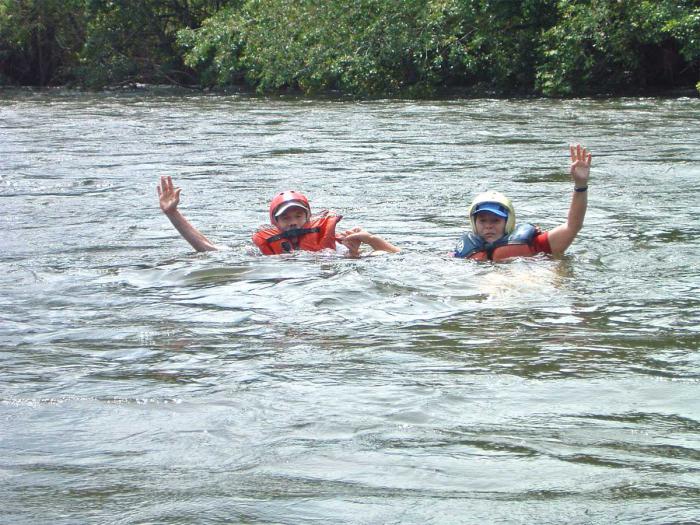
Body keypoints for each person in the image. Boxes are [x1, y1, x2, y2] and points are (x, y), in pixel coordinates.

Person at [157, 177, 399, 257]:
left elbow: (396, 256)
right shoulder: (260, 251)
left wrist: (366, 243)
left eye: (298, 215)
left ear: (308, 217)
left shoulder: (334, 245)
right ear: (275, 223)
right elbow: (207, 248)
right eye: (285, 218)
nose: (293, 222)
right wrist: (173, 213)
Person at [453, 144, 592, 261]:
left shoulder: (535, 244)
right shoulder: (464, 252)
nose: (488, 226)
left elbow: (573, 226)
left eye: (495, 221)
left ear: (508, 223)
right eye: (482, 221)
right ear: (474, 223)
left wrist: (580, 185)